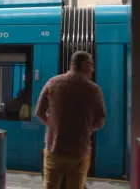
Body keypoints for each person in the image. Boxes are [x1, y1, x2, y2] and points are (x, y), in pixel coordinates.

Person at [35, 51, 106, 189]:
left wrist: (53, 126)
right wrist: (86, 128)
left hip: (54, 149)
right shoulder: (94, 90)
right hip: (78, 152)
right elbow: (100, 120)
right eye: (91, 64)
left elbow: (39, 112)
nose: (93, 69)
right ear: (84, 65)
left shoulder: (53, 82)